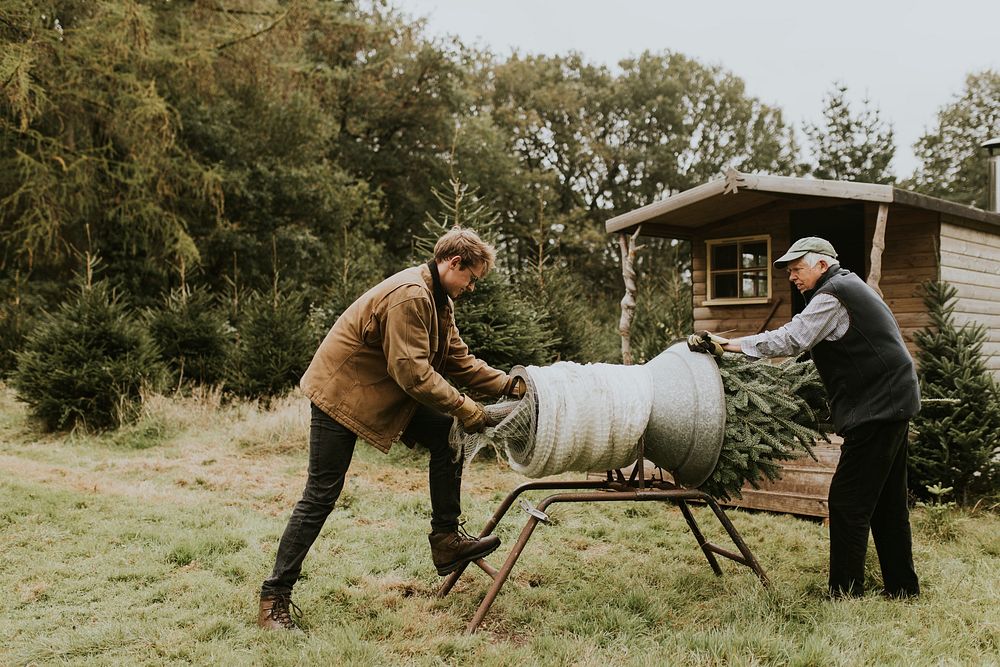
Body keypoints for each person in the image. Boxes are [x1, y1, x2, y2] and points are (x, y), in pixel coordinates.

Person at [258, 227, 526, 630]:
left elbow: (459, 360)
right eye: (471, 278)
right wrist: (471, 409)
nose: (472, 287)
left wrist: (511, 384)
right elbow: (413, 374)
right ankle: (273, 597)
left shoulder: (439, 300)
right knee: (321, 495)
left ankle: (446, 541)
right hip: (339, 395)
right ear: (454, 263)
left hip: (378, 392)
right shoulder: (412, 295)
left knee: (449, 436)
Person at [688, 236, 921, 599]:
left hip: (877, 408)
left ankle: (845, 594)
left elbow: (792, 339)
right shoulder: (850, 286)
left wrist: (729, 344)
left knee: (848, 503)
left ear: (821, 266)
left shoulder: (832, 294)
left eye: (797, 269)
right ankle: (903, 589)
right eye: (790, 271)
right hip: (894, 401)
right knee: (887, 504)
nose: (792, 277)